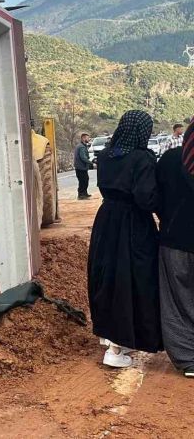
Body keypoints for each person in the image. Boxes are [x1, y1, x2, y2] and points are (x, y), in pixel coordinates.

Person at [88, 110, 162, 368]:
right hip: (133, 223)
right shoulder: (142, 158)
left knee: (108, 276)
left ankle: (113, 337)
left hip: (106, 220)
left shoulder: (105, 155)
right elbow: (146, 197)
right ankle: (117, 346)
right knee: (133, 278)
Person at [156, 121, 194, 377]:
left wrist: (168, 219)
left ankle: (188, 359)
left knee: (177, 299)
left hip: (175, 241)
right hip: (175, 238)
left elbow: (154, 197)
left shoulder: (170, 160)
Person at [74, 133, 94, 199]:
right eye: (87, 138)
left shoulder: (81, 146)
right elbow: (83, 157)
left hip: (80, 167)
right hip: (81, 167)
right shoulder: (81, 147)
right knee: (83, 181)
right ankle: (81, 195)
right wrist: (91, 163)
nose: (89, 139)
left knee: (85, 180)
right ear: (83, 138)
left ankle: (84, 193)